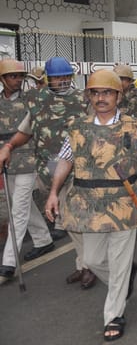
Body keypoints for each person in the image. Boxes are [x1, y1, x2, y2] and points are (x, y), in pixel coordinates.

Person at [45, 69, 137, 342]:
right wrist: (53, 192)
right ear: (89, 96)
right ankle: (125, 278)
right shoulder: (78, 127)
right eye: (95, 93)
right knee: (93, 260)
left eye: (107, 92)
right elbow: (65, 160)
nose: (101, 98)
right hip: (90, 206)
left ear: (118, 96)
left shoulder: (132, 127)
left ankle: (114, 316)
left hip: (124, 204)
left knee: (118, 264)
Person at [0, 56, 96, 289]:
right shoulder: (38, 100)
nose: (62, 81)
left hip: (79, 170)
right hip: (50, 171)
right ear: (49, 79)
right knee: (68, 221)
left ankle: (90, 266)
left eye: (66, 77)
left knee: (76, 218)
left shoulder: (83, 99)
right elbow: (26, 130)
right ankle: (84, 263)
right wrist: (9, 146)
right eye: (57, 77)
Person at [0, 59, 54, 283]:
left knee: (18, 212)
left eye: (20, 76)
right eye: (13, 76)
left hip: (28, 160)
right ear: (3, 79)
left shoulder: (31, 99)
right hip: (7, 161)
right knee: (22, 204)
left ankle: (8, 263)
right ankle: (43, 240)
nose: (18, 80)